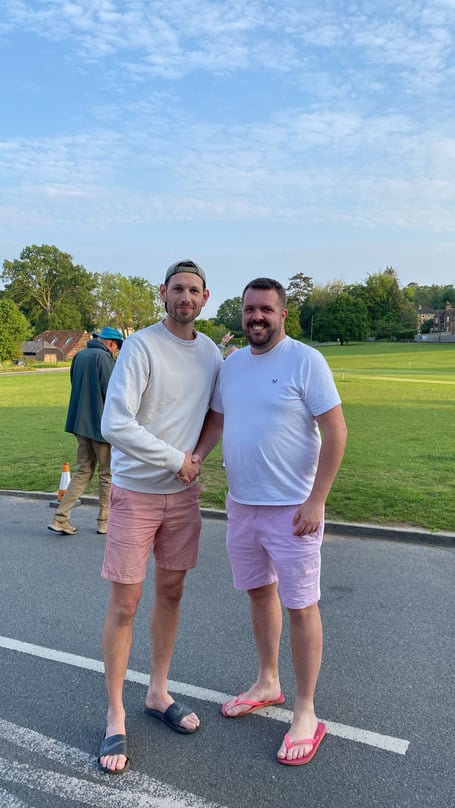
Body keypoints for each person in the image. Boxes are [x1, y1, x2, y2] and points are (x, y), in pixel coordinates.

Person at [192, 277, 347, 766]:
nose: (256, 317)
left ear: (282, 314)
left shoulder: (306, 360)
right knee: (259, 593)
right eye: (249, 310)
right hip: (242, 504)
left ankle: (306, 711)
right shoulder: (233, 364)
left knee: (301, 605)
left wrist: (317, 499)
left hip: (294, 509)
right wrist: (196, 456)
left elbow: (336, 431)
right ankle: (268, 682)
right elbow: (217, 421)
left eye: (265, 309)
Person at [97, 259, 222, 775]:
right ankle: (115, 713)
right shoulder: (142, 346)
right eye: (177, 289)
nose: (185, 297)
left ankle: (157, 691)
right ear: (163, 294)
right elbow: (114, 423)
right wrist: (177, 460)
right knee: (126, 602)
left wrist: (197, 462)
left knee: (171, 593)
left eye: (193, 290)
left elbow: (216, 415)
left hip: (182, 498)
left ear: (205, 296)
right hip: (136, 493)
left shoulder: (211, 351)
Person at [48, 326, 123, 536]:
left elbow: (75, 384)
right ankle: (104, 521)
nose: (116, 351)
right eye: (117, 347)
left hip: (80, 423)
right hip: (100, 425)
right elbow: (111, 392)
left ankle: (60, 518)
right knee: (106, 473)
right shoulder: (104, 358)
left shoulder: (79, 355)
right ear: (112, 343)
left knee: (83, 471)